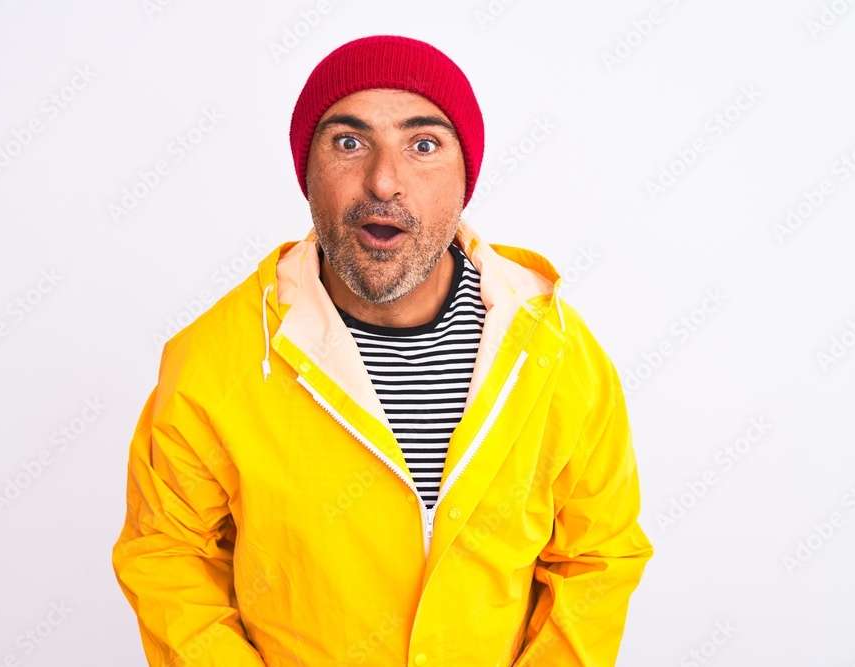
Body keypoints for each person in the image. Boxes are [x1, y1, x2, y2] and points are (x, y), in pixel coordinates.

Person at [111, 34, 653, 666]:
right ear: (306, 171)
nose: (384, 180)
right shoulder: (217, 360)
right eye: (349, 142)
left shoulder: (557, 354)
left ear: (465, 177)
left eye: (423, 145)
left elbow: (598, 558)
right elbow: (169, 558)